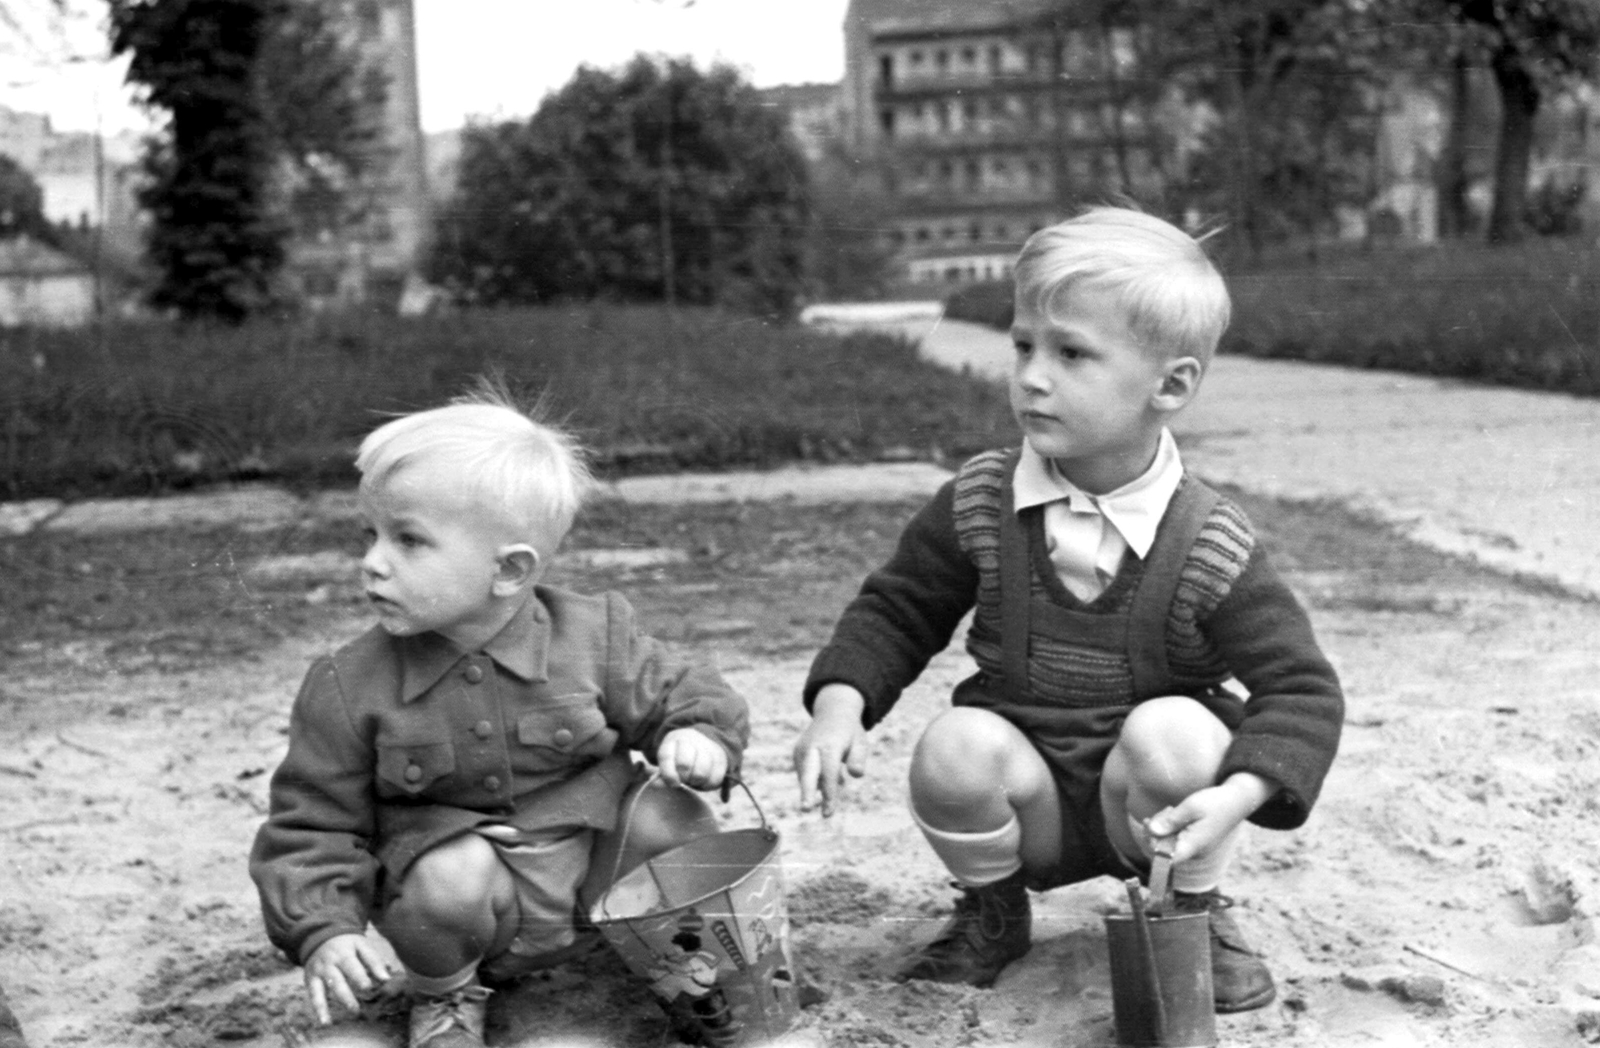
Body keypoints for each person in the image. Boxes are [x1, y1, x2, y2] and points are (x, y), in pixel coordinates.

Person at [791, 207, 1343, 1013]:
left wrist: (1237, 799)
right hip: (1031, 798)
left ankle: (1188, 910)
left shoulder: (1209, 543)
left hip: (1158, 812)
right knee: (951, 747)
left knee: (1180, 733)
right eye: (1023, 345)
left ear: (1172, 384)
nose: (1031, 376)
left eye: (1071, 352)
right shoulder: (981, 500)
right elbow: (899, 607)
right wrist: (839, 705)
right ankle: (993, 908)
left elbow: (1301, 689)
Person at [249, 383, 748, 1048]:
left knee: (672, 812)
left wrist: (698, 735)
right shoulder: (348, 685)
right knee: (446, 874)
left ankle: (681, 969)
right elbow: (310, 824)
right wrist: (322, 928)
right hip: (474, 916)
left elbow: (684, 688)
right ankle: (448, 998)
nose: (372, 563)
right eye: (369, 535)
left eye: (408, 540)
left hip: (595, 884)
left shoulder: (594, 636)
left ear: (510, 571)